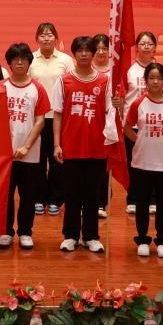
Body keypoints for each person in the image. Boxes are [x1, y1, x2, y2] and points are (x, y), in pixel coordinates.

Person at [52, 35, 117, 253]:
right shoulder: (64, 81)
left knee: (92, 194)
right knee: (71, 194)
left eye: (87, 50)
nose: (83, 54)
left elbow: (110, 113)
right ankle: (70, 236)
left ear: (93, 53)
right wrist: (57, 144)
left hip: (96, 147)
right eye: (79, 50)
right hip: (70, 146)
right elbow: (58, 114)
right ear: (74, 53)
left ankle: (91, 236)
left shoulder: (104, 81)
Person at [124, 62, 163, 258]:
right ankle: (142, 239)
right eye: (151, 78)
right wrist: (142, 140)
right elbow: (127, 128)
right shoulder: (138, 103)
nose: (155, 82)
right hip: (142, 162)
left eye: (159, 78)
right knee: (142, 203)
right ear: (145, 81)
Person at [0, 43, 48, 249]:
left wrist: (26, 146)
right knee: (5, 196)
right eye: (15, 59)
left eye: (24, 59)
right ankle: (5, 231)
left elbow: (40, 121)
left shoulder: (37, 88)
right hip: (4, 155)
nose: (19, 62)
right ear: (9, 63)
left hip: (30, 154)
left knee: (28, 195)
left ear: (29, 62)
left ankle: (25, 232)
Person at [29, 22, 73, 216]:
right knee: (38, 160)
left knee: (57, 160)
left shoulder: (66, 60)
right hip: (37, 118)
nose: (46, 38)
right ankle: (38, 198)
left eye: (50, 35)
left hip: (58, 117)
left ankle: (55, 199)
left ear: (56, 38)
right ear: (37, 38)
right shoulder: (30, 59)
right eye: (42, 35)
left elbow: (71, 86)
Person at [121, 31, 158, 216]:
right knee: (133, 164)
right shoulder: (129, 70)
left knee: (154, 163)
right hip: (133, 125)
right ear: (136, 47)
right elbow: (122, 97)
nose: (146, 47)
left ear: (155, 47)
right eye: (142, 44)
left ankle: (152, 199)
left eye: (149, 44)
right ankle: (133, 199)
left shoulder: (159, 69)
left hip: (153, 123)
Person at [93, 33, 112, 218]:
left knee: (104, 165)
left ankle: (101, 203)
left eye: (104, 48)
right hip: (89, 123)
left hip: (108, 125)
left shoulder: (116, 71)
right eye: (97, 48)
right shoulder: (86, 69)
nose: (100, 52)